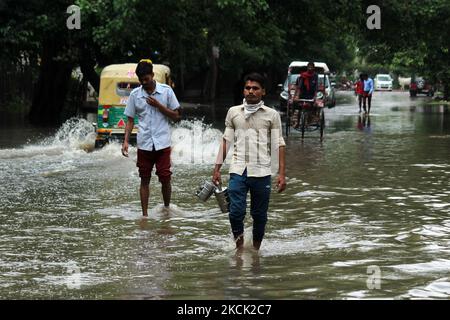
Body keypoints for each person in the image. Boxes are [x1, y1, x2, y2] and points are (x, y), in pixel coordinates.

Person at [212, 72, 286, 251]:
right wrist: (216, 169)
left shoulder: (272, 115)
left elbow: (279, 144)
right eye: (248, 88)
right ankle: (239, 249)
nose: (251, 91)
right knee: (235, 213)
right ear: (243, 90)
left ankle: (256, 252)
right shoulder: (234, 112)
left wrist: (282, 174)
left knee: (260, 216)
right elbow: (226, 141)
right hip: (238, 170)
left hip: (262, 172)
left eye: (255, 88)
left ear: (263, 92)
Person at [121, 59, 181, 216]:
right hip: (144, 144)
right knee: (144, 179)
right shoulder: (135, 95)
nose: (144, 83)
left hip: (162, 144)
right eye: (141, 80)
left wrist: (159, 106)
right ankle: (145, 215)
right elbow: (130, 120)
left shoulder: (166, 91)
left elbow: (177, 116)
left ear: (153, 75)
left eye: (146, 79)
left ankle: (167, 208)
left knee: (165, 178)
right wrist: (126, 141)